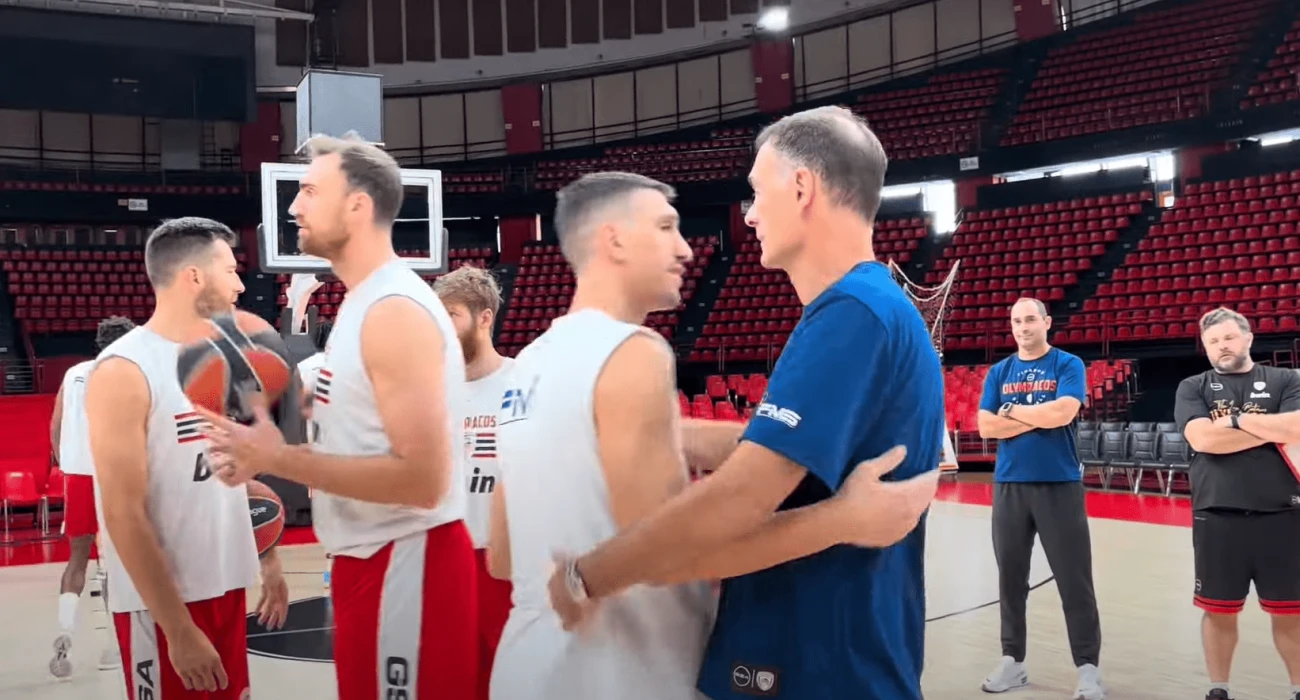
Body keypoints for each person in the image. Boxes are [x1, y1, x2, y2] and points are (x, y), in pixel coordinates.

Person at [541, 107, 945, 700]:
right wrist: (653, 428)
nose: (750, 214)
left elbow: (737, 499)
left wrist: (585, 577)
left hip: (816, 670)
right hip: (828, 661)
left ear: (802, 188)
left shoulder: (851, 315)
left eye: (757, 192)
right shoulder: (870, 307)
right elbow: (785, 454)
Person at [200, 133, 478, 700]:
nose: (294, 206)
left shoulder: (394, 311)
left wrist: (279, 458)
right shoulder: (360, 303)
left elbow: (423, 480)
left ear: (358, 205)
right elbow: (362, 446)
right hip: (371, 557)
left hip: (406, 559)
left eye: (309, 191)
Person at [84, 217, 288, 700]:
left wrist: (270, 562)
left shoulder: (221, 359)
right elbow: (123, 513)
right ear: (194, 276)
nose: (241, 285)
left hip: (227, 584)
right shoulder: (125, 369)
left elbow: (227, 477)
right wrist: (176, 627)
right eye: (231, 270)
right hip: (165, 604)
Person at [976, 297, 1103, 699]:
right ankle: (1012, 661)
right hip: (1009, 486)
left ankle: (1087, 669)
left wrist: (1010, 413)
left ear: (1046, 322)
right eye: (1016, 321)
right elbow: (985, 427)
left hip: (1058, 484)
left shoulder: (1067, 364)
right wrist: (1032, 417)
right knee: (1010, 580)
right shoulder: (999, 371)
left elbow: (1062, 414)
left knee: (1074, 580)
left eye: (1030, 319)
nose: (1022, 327)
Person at [1174, 308, 1300, 700]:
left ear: (1248, 338)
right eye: (1213, 341)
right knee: (1218, 609)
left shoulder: (1287, 379)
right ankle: (1219, 688)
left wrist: (1233, 421)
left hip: (1284, 512)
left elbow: (1297, 427)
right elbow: (1203, 440)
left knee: (1291, 612)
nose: (1221, 346)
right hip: (1217, 513)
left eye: (1228, 337)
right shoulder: (1192, 386)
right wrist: (1269, 428)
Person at [433, 265, 515, 700]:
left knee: (510, 683)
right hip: (444, 561)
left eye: (451, 315)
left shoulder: (525, 382)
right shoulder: (429, 392)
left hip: (505, 563)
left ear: (485, 318)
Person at [48, 315, 135, 679]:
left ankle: (65, 631)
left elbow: (55, 426)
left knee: (77, 560)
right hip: (112, 473)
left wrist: (67, 463)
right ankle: (113, 645)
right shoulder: (129, 373)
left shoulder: (74, 374)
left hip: (77, 474)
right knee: (115, 563)